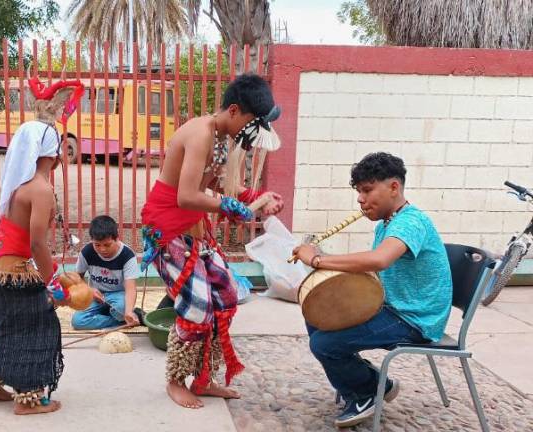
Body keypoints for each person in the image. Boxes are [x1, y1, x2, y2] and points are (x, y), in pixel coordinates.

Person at [141, 73, 284, 409]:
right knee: (198, 304)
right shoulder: (200, 133)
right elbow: (187, 195)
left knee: (226, 294)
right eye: (250, 123)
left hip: (193, 228)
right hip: (168, 228)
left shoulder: (221, 136)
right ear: (234, 110)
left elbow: (217, 186)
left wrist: (255, 196)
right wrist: (231, 205)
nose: (250, 134)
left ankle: (203, 378)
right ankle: (176, 380)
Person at [291, 152, 452, 428]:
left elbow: (379, 259)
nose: (360, 199)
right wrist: (324, 259)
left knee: (324, 344)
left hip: (416, 319)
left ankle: (366, 393)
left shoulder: (411, 222)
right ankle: (378, 384)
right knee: (318, 315)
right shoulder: (388, 223)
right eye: (359, 191)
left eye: (367, 190)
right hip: (394, 307)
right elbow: (373, 264)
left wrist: (318, 260)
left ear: (393, 187)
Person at [0, 76, 84, 415]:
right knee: (38, 324)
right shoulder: (41, 189)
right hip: (12, 266)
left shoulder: (24, 184)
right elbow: (37, 243)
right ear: (53, 151)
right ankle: (30, 398)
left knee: (7, 323)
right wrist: (51, 282)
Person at [71, 215, 140, 330]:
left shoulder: (128, 255)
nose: (102, 249)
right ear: (92, 240)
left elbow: (131, 288)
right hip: (95, 294)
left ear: (116, 239)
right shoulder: (87, 251)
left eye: (107, 245)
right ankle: (119, 322)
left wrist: (128, 311)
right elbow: (77, 278)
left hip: (118, 296)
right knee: (77, 321)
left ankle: (123, 316)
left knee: (122, 310)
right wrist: (89, 290)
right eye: (97, 245)